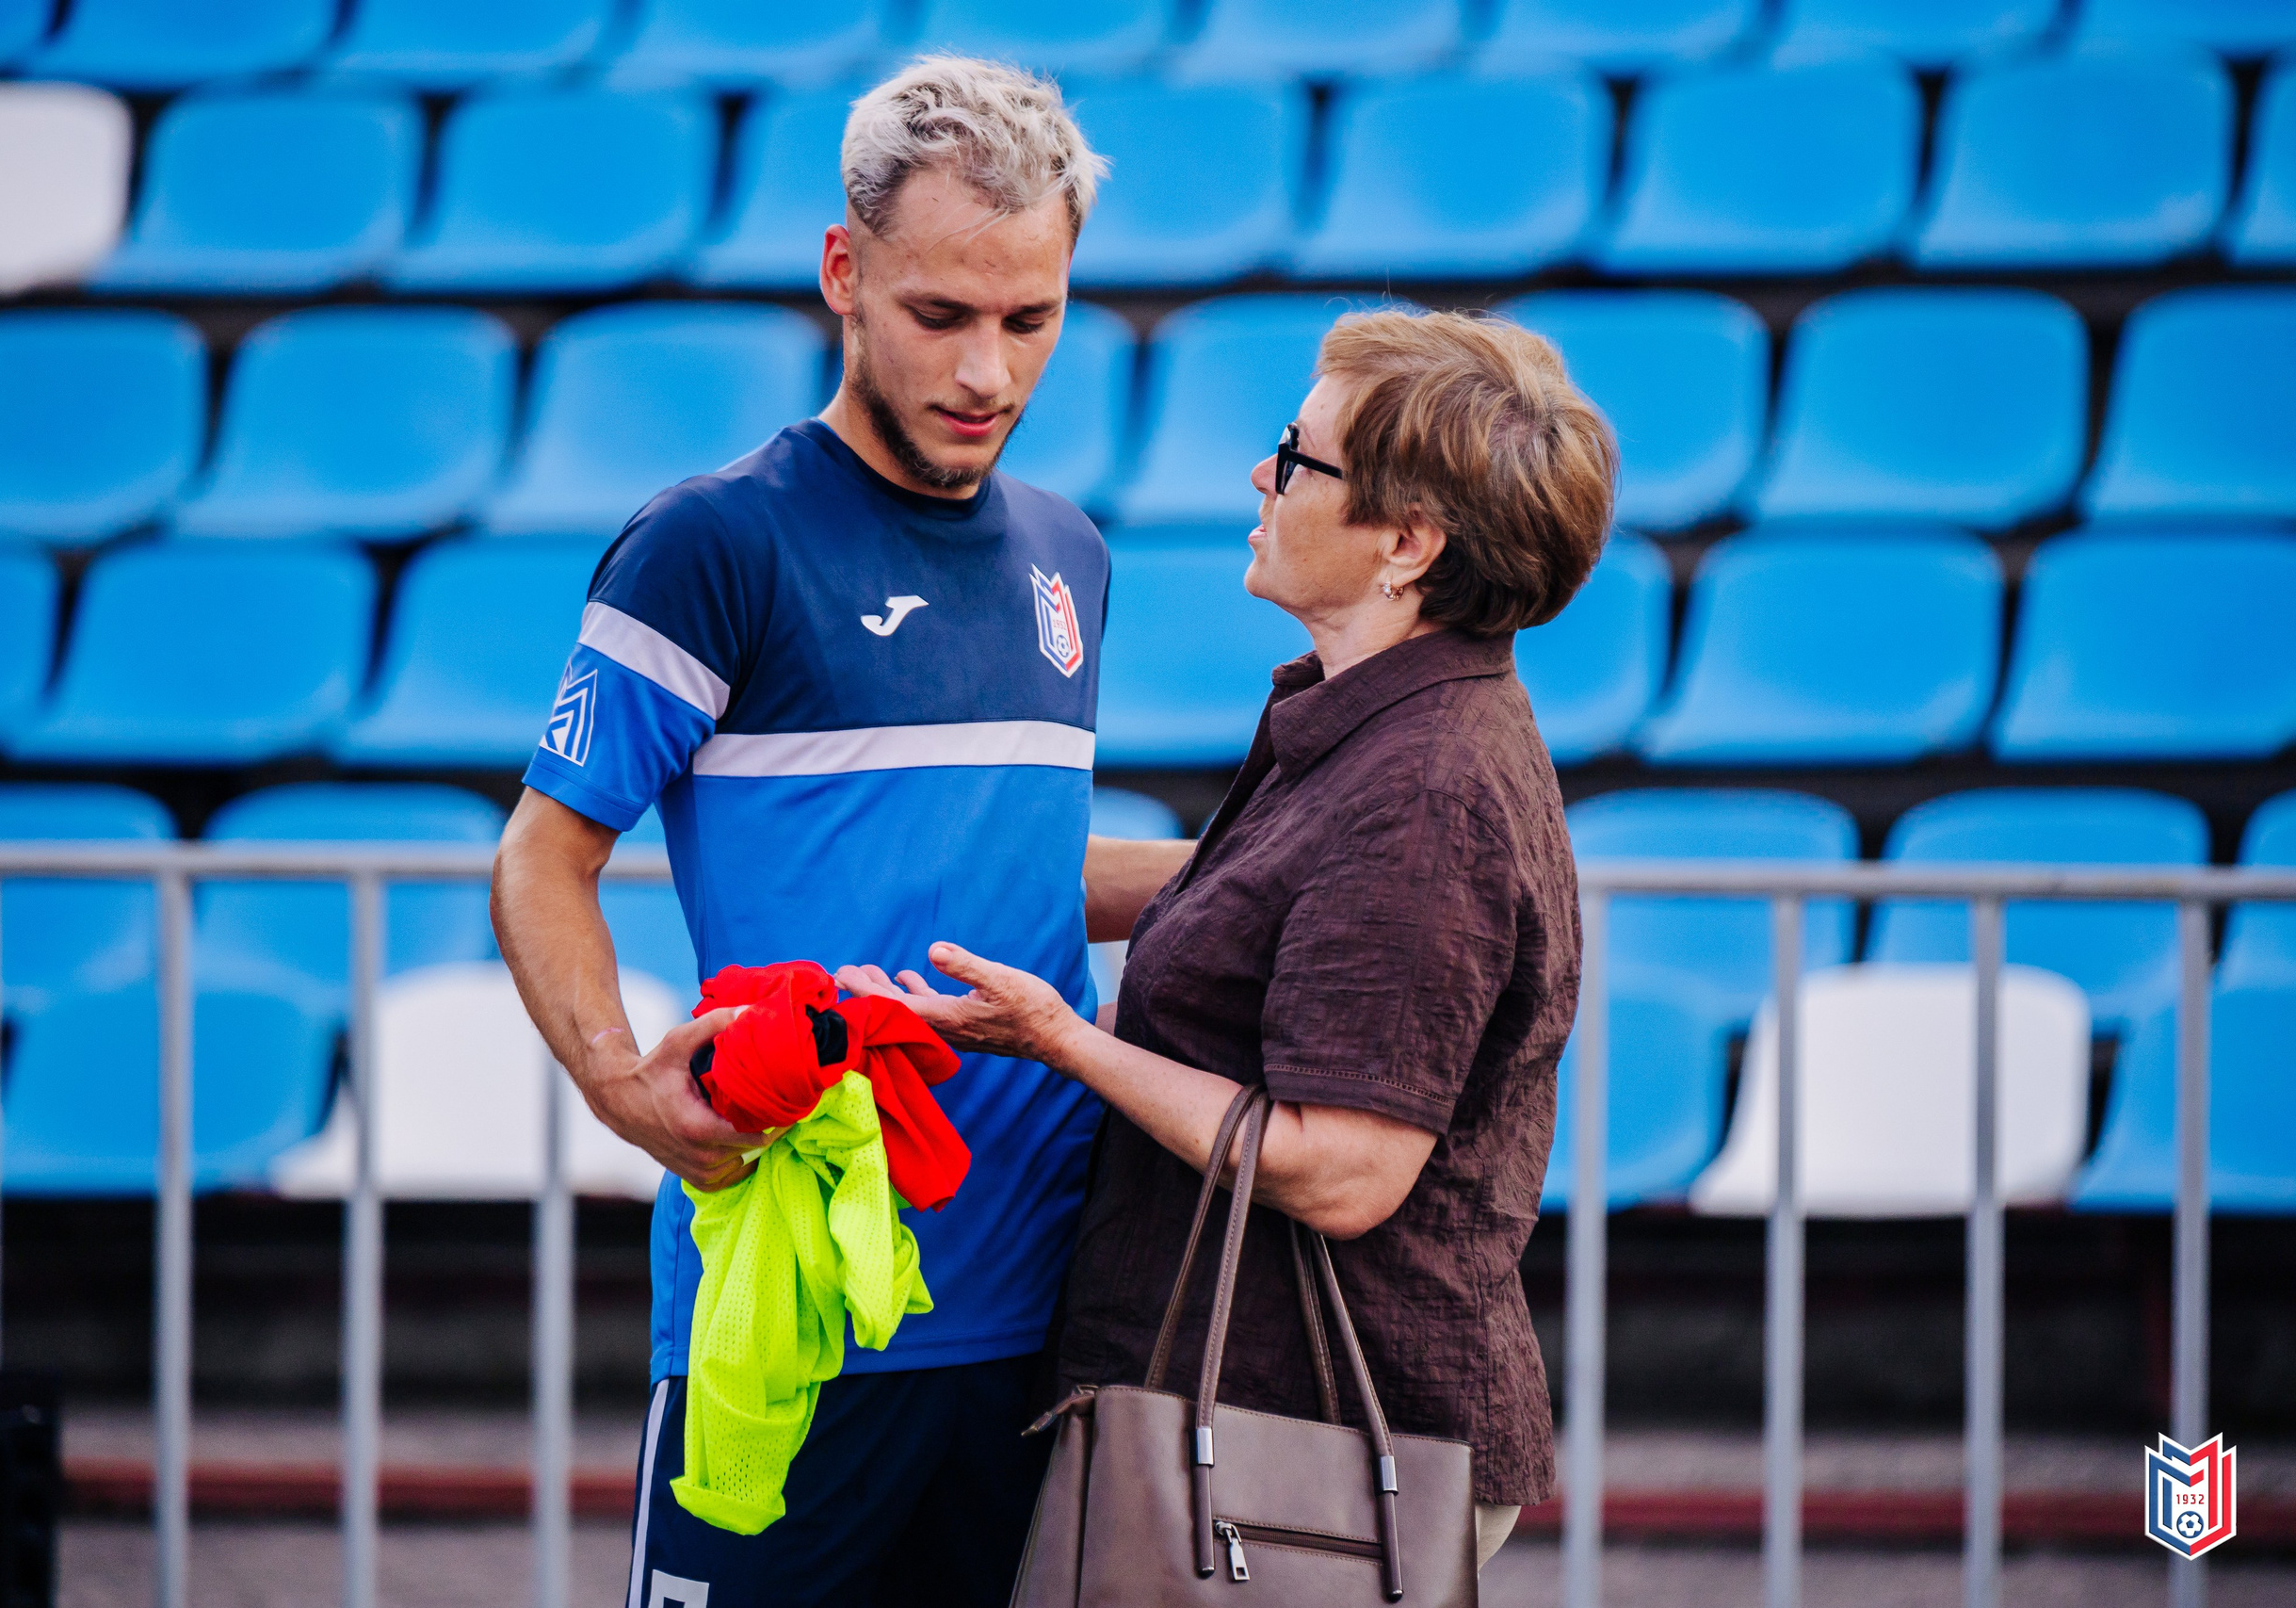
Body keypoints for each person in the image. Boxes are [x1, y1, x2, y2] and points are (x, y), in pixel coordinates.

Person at [838, 307, 1615, 1581]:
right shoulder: (1384, 730)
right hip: (1259, 1420)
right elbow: (1239, 901)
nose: (1263, 475)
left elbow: (1343, 1170)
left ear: (1406, 545)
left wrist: (1059, 1039)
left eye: (1300, 459)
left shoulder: (1426, 793)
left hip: (1304, 1441)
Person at [491, 57, 1113, 1608]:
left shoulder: (1071, 556)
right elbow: (542, 857)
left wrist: (1289, 874)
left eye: (1028, 319)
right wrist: (626, 1090)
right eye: (941, 316)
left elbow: (1014, 869)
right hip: (787, 1314)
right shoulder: (712, 543)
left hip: (1044, 1309)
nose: (988, 369)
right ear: (845, 273)